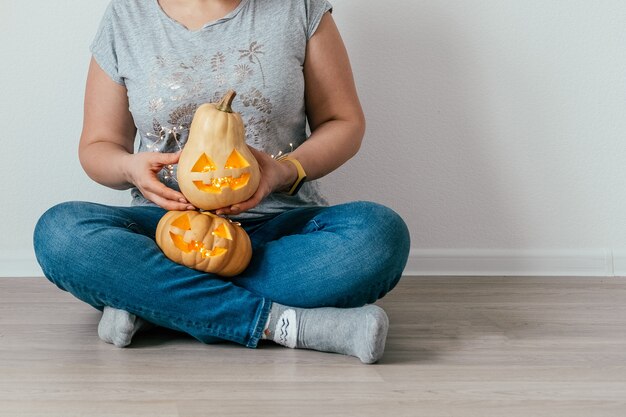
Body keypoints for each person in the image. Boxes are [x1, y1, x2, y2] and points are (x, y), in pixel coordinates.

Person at [33, 0, 410, 364]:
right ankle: (285, 324)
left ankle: (156, 305)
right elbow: (99, 146)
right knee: (60, 232)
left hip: (278, 233)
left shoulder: (300, 8)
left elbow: (343, 122)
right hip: (166, 230)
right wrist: (130, 168)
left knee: (380, 235)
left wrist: (285, 171)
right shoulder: (127, 16)